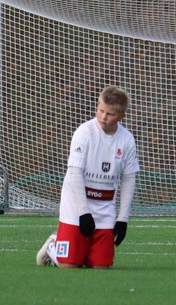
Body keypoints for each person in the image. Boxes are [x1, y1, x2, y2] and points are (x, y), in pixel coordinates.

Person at [36, 87, 139, 269]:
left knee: (101, 267)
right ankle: (53, 246)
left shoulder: (127, 139)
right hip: (76, 205)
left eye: (110, 114)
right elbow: (75, 173)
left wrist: (123, 219)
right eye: (100, 110)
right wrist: (83, 213)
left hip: (104, 208)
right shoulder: (84, 132)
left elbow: (129, 179)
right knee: (70, 265)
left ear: (121, 116)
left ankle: (81, 250)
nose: (103, 117)